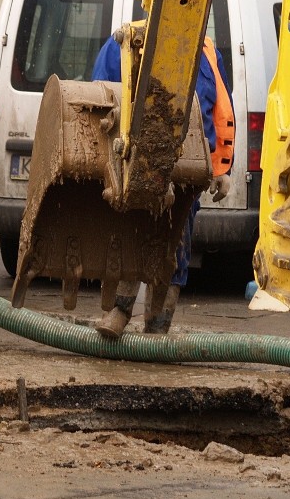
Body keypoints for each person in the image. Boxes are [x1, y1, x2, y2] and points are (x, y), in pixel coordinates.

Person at [92, 33, 234, 337]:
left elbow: (221, 108)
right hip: (135, 161)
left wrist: (222, 167)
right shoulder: (126, 42)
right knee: (132, 230)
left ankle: (157, 326)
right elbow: (100, 97)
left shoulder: (207, 50)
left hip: (190, 164)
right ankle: (119, 310)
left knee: (176, 243)